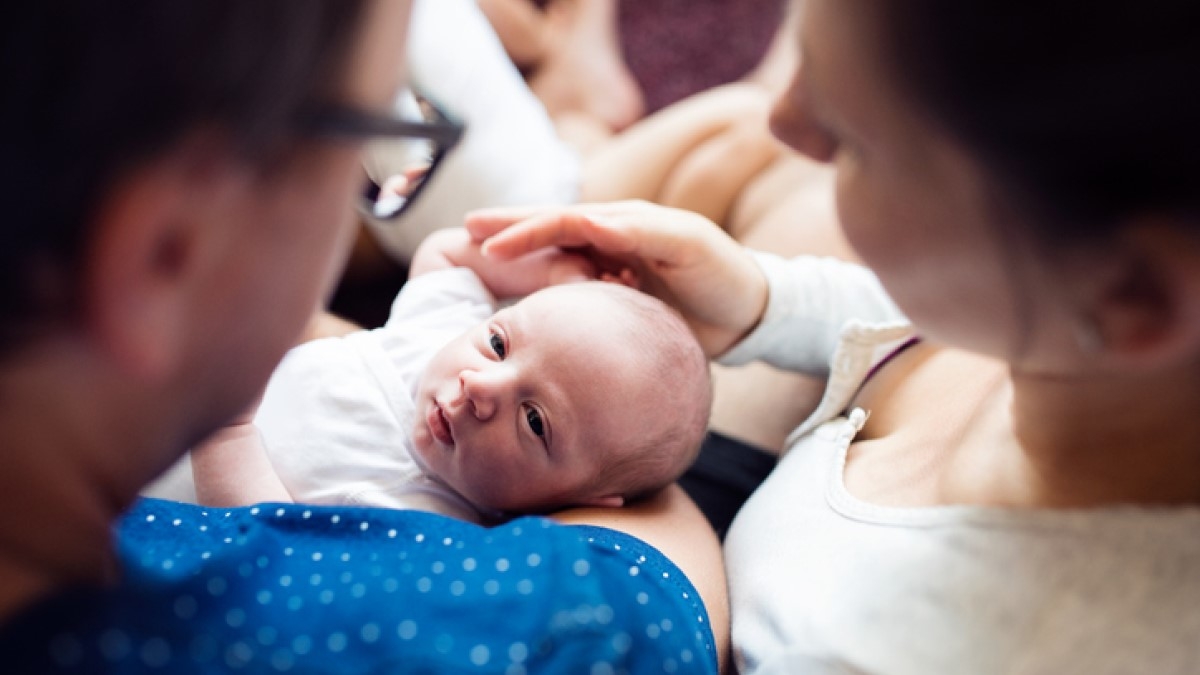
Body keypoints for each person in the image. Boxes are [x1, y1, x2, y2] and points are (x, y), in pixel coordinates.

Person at [466, 0, 1200, 671]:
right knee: (741, 137)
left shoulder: (881, 646)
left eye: (853, 143)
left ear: (1129, 296)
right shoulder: (1081, 349)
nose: (792, 122)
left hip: (694, 549)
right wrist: (762, 305)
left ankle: (575, 121)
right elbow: (915, 327)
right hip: (794, 450)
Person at [0, 2, 729, 673]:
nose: (482, 386)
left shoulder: (425, 517)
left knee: (727, 136)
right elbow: (644, 601)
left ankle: (588, 92)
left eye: (536, 422)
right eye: (372, 157)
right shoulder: (420, 599)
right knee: (735, 136)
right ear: (162, 253)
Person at [188, 227, 711, 522]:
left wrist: (226, 435)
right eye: (500, 343)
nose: (481, 386)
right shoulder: (439, 331)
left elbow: (275, 555)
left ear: (582, 499)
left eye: (534, 422)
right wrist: (549, 273)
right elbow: (443, 253)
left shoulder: (436, 529)